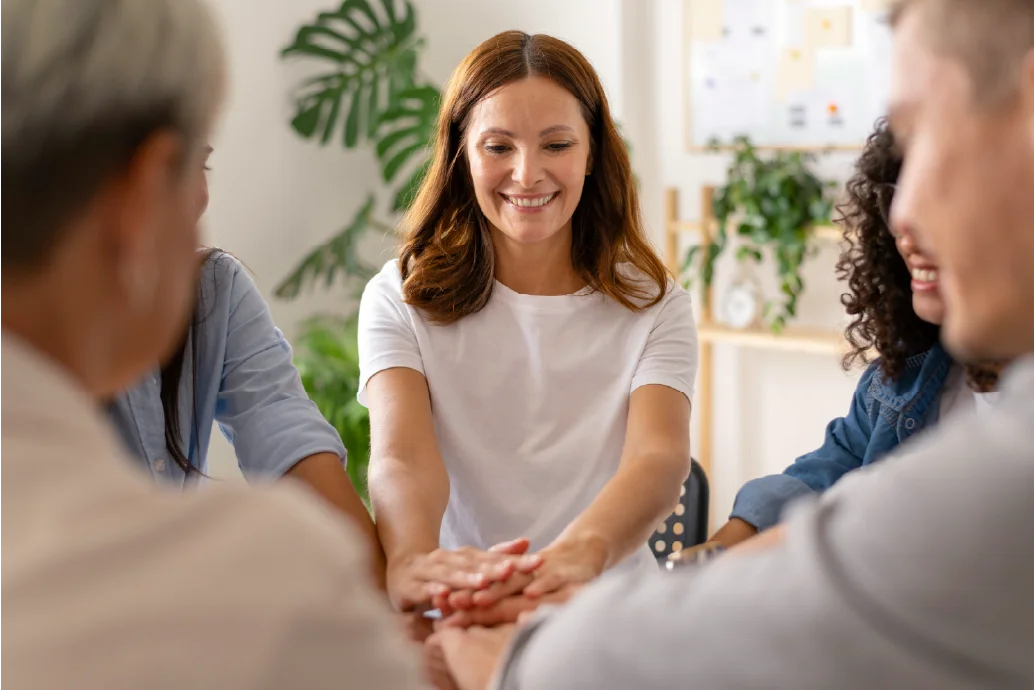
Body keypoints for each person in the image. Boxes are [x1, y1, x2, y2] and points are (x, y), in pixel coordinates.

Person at [427, 0, 1034, 687]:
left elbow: (830, 578)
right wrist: (708, 561)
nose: (904, 212)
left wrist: (523, 655)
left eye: (930, 133)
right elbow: (822, 488)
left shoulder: (1001, 476)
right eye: (498, 146)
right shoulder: (909, 384)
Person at [0, 1, 425, 687]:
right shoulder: (251, 589)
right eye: (192, 163)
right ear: (144, 188)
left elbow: (288, 436)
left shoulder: (215, 292)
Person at [358, 30, 698, 622]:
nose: (527, 173)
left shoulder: (655, 303)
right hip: (463, 606)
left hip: (607, 613)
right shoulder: (400, 296)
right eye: (498, 146)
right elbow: (402, 458)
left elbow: (658, 457)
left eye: (556, 144)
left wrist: (574, 558)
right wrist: (413, 561)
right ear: (461, 155)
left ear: (592, 153)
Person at [710, 117, 1003, 549]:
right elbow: (833, 467)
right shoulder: (906, 374)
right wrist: (720, 548)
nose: (905, 231)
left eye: (941, 198)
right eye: (897, 199)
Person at [107, 151, 383, 583]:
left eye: (199, 162)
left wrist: (390, 599)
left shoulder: (212, 288)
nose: (196, 196)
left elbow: (285, 432)